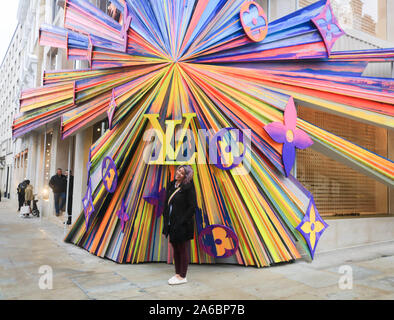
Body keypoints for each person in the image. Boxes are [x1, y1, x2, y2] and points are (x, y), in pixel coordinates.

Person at [162, 165, 197, 285]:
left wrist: (182, 221)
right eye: (178, 170)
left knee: (182, 249)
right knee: (175, 249)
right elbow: (167, 204)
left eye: (182, 173)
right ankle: (177, 274)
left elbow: (192, 207)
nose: (178, 173)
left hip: (183, 225)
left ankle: (183, 276)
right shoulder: (172, 185)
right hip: (172, 223)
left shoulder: (188, 187)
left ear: (186, 176)